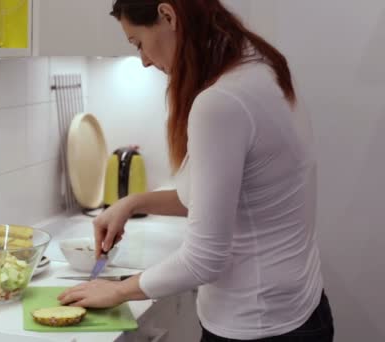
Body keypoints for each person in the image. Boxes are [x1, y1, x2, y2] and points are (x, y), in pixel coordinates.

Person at [57, 1, 335, 341]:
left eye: (138, 42)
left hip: (258, 326)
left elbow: (204, 260)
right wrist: (131, 203)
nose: (143, 60)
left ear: (168, 15)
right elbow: (224, 198)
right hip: (298, 311)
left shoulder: (221, 102)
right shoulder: (261, 67)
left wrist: (117, 291)